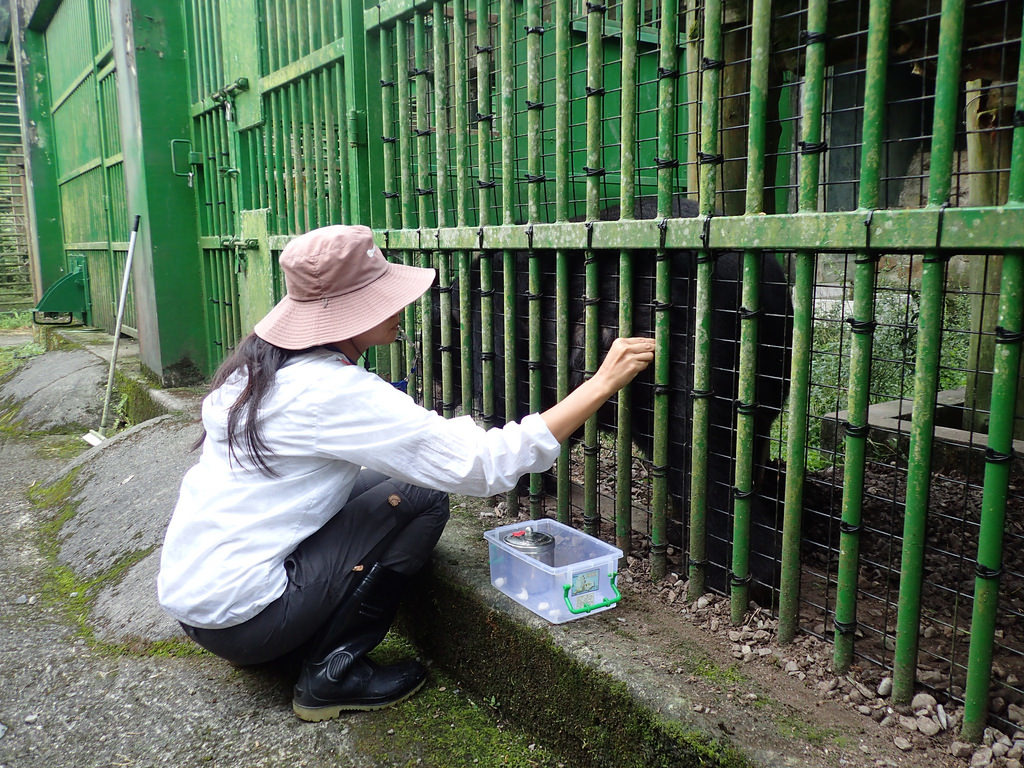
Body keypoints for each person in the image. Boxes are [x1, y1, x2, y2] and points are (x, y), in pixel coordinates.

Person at [156, 224, 654, 722]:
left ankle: (296, 643)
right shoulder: (329, 391)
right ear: (344, 314)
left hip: (201, 609)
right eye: (381, 297)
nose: (399, 307)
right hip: (248, 621)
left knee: (392, 485)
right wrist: (601, 383)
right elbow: (483, 466)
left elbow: (396, 446)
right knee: (422, 498)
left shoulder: (262, 368)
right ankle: (332, 673)